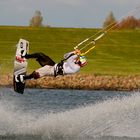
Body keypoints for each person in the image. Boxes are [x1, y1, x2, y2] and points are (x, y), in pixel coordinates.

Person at [16, 49, 87, 83]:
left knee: (37, 73)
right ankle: (26, 56)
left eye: (79, 59)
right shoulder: (75, 62)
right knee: (40, 55)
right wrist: (73, 52)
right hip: (53, 65)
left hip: (53, 71)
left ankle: (24, 78)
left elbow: (68, 59)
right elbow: (65, 56)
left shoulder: (76, 68)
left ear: (80, 62)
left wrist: (76, 54)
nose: (77, 59)